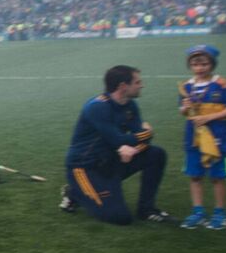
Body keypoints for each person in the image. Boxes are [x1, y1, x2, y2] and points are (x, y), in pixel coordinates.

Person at [61, 65, 175, 225]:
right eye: (137, 82)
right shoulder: (97, 107)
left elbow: (139, 141)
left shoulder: (130, 104)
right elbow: (119, 140)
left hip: (111, 161)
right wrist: (148, 133)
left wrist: (134, 147)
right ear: (123, 86)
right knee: (120, 218)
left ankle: (146, 210)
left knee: (156, 154)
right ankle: (74, 192)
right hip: (84, 168)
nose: (142, 85)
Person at [177, 45, 226, 230]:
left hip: (218, 138)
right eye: (195, 64)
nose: (200, 68)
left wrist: (208, 117)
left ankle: (220, 213)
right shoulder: (187, 86)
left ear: (212, 64)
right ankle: (198, 212)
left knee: (217, 177)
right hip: (194, 138)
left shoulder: (222, 84)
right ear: (190, 66)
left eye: (204, 63)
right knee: (195, 176)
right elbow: (182, 111)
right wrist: (186, 107)